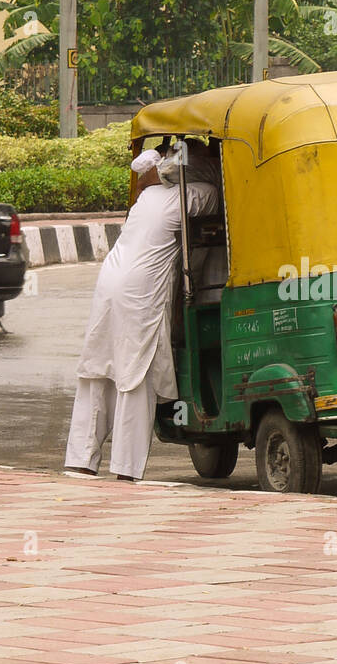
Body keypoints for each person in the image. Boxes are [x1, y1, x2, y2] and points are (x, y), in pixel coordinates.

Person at [64, 144, 220, 480]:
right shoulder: (193, 194)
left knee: (99, 370)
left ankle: (80, 460)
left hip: (109, 284)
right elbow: (221, 197)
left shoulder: (146, 198)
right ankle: (126, 470)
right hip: (140, 294)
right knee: (137, 375)